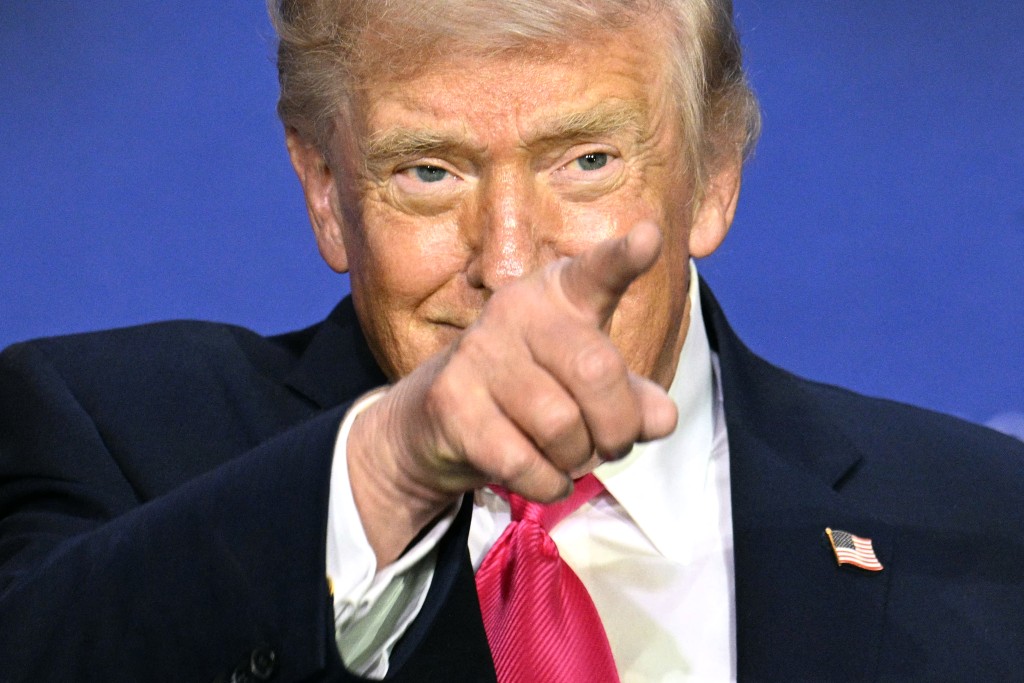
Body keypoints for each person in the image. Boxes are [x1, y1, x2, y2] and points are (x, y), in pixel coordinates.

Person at [1, 1, 1021, 681]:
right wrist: (392, 466)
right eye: (428, 172)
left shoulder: (988, 517)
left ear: (712, 171)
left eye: (583, 159)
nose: (509, 262)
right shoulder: (115, 440)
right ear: (323, 190)